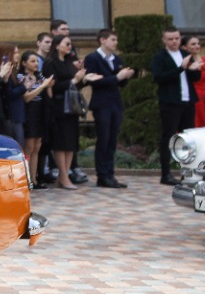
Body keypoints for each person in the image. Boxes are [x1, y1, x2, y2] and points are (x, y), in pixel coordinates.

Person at [83, 29, 135, 189]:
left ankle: (110, 174)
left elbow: (120, 84)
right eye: (113, 39)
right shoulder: (92, 58)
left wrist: (125, 77)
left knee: (112, 140)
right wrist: (116, 77)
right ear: (103, 40)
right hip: (101, 104)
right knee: (103, 139)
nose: (116, 43)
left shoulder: (116, 58)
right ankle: (102, 175)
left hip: (115, 103)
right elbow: (94, 81)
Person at [151, 26, 201, 186]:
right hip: (170, 102)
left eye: (177, 38)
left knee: (189, 138)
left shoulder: (185, 54)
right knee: (169, 137)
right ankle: (165, 174)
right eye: (170, 39)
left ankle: (188, 172)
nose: (174, 42)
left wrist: (194, 69)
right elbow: (159, 78)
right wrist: (181, 68)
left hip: (188, 101)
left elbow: (195, 77)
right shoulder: (160, 57)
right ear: (164, 40)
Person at [46, 34, 88, 191]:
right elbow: (53, 86)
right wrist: (74, 80)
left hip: (71, 107)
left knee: (70, 143)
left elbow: (75, 84)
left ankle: (65, 175)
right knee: (61, 142)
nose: (70, 47)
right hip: (59, 106)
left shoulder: (69, 62)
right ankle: (63, 176)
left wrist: (83, 78)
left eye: (70, 44)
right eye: (67, 44)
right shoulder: (51, 63)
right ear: (57, 45)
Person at [18, 50, 54, 183]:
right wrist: (43, 86)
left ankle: (34, 179)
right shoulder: (21, 77)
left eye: (37, 61)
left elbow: (49, 95)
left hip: (41, 111)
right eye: (32, 61)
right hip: (29, 111)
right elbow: (26, 97)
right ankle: (26, 179)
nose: (36, 64)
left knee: (37, 147)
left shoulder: (40, 77)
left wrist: (48, 86)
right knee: (29, 147)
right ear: (24, 63)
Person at [188, 35, 205, 128]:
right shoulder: (185, 63)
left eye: (198, 43)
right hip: (192, 97)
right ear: (185, 47)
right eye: (193, 44)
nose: (197, 46)